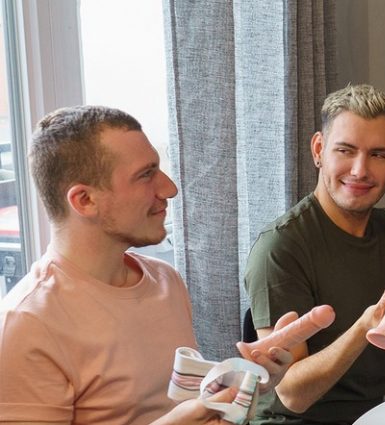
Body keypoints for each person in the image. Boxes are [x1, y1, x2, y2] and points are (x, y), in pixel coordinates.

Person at [0, 106, 293, 424]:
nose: (169, 189)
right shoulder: (27, 324)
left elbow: (184, 404)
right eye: (145, 175)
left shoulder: (164, 280)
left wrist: (246, 385)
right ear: (85, 200)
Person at [244, 83, 385, 424]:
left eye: (378, 155)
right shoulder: (280, 248)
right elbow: (293, 394)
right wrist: (365, 328)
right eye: (345, 150)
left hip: (371, 416)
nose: (360, 170)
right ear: (319, 149)